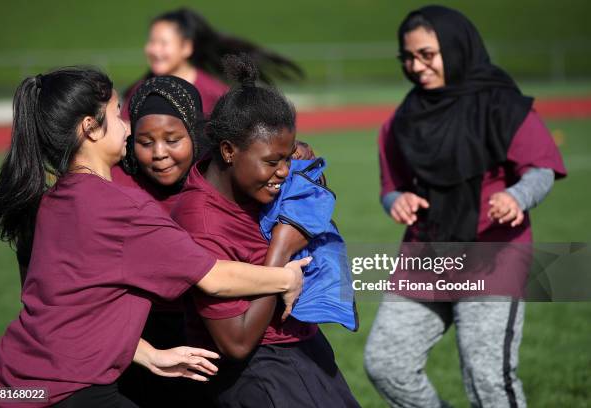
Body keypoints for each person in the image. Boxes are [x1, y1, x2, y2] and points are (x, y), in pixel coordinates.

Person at [0, 67, 309, 407]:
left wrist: (149, 354)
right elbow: (215, 278)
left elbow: (69, 311)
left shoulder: (53, 200)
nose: (126, 125)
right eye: (117, 112)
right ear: (90, 128)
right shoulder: (123, 208)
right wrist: (284, 277)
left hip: (9, 385)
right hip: (69, 390)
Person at [364, 6, 567, 408]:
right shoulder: (401, 119)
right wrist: (396, 200)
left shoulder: (501, 104)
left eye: (427, 54)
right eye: (408, 57)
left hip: (493, 255)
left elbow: (540, 169)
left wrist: (517, 196)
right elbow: (391, 186)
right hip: (426, 256)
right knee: (387, 363)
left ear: (456, 49)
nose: (416, 66)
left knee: (487, 380)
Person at [113, 74, 316, 407]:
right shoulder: (124, 193)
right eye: (145, 142)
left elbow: (272, 153)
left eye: (173, 139)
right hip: (148, 334)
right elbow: (214, 277)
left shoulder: (225, 177)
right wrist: (281, 273)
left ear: (195, 135)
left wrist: (297, 157)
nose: (160, 153)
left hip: (204, 338)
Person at [171, 55, 360, 407]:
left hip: (301, 347)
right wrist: (280, 252)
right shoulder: (203, 222)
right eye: (274, 162)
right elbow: (236, 342)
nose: (285, 171)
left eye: (287, 157)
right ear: (228, 151)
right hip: (258, 370)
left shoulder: (247, 181)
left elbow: (309, 180)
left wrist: (299, 167)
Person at [121, 7, 303, 120]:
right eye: (152, 42)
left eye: (163, 43)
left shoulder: (214, 92)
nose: (154, 50)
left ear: (186, 47)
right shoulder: (138, 91)